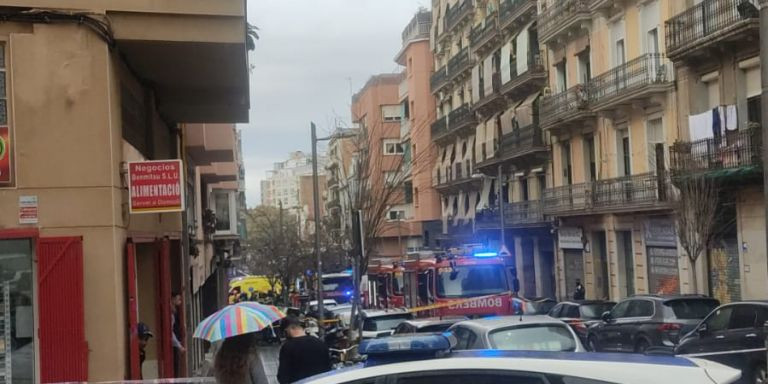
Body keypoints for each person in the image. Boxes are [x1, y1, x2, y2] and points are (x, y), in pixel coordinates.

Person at [277, 316, 331, 384]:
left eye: (285, 331)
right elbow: (328, 367)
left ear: (290, 329)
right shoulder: (319, 342)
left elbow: (283, 374)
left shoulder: (288, 347)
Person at [170, 292, 186, 377]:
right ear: (172, 299)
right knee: (174, 366)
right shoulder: (171, 313)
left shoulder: (175, 311)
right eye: (178, 299)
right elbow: (170, 332)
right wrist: (179, 346)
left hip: (175, 342)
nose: (180, 302)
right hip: (173, 344)